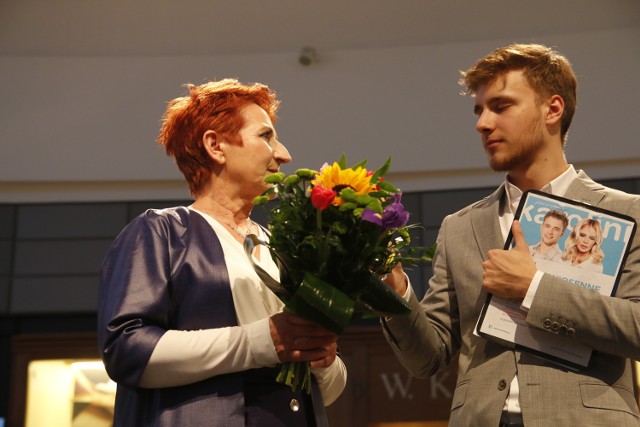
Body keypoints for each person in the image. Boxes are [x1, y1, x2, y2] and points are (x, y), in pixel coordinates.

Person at [381, 44, 640, 426]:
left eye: (500, 107)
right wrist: (394, 288)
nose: (482, 123)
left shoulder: (626, 213)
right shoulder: (459, 227)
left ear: (553, 109)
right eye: (479, 110)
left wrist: (533, 288)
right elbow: (428, 357)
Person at [97, 79, 347, 426]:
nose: (284, 154)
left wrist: (323, 358)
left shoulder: (285, 248)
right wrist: (263, 340)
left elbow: (326, 392)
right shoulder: (161, 232)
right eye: (266, 136)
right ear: (216, 145)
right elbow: (126, 349)